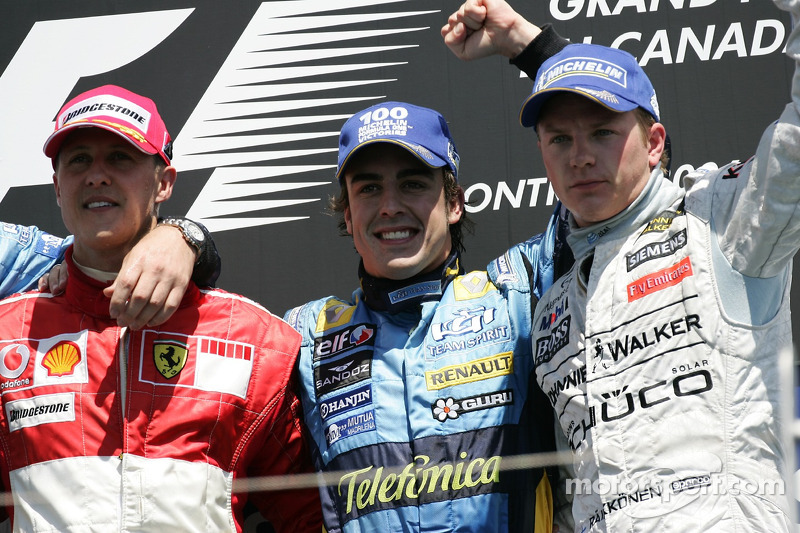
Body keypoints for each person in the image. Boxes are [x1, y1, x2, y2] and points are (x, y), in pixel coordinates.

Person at [443, 0, 798, 530]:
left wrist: (527, 42)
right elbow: (573, 491)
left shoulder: (720, 221)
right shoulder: (553, 304)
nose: (579, 156)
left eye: (603, 133)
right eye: (559, 139)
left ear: (654, 144)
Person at [0, 84, 321, 532]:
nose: (96, 175)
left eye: (120, 158)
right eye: (79, 160)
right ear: (57, 187)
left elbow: (311, 514)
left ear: (164, 183)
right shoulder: (8, 336)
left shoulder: (254, 340)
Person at [284, 101, 560, 532]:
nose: (390, 206)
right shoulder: (306, 336)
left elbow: (612, 197)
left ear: (454, 204)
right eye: (369, 189)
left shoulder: (516, 293)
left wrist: (533, 50)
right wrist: (188, 241)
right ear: (348, 214)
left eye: (412, 184)